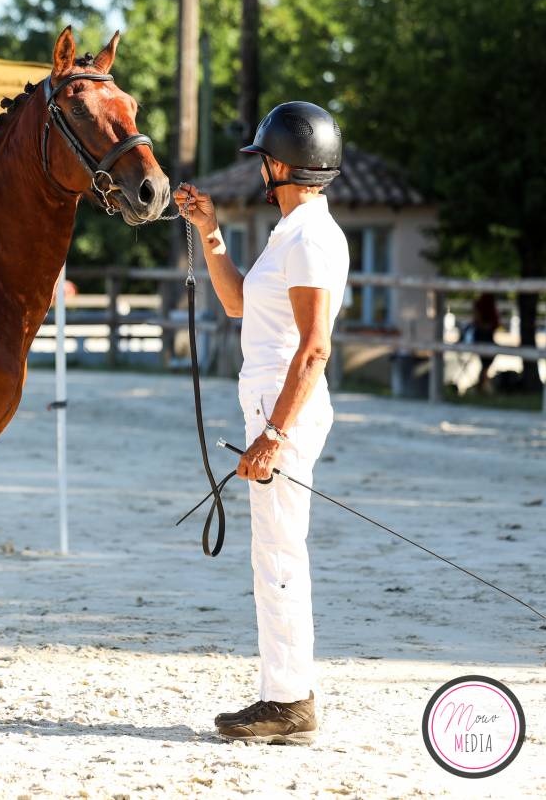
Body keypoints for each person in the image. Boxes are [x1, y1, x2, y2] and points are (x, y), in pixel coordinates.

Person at [175, 101, 349, 745]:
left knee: (278, 554)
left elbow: (315, 347)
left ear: (282, 165)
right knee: (272, 551)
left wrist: (273, 434)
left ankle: (289, 700)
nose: (261, 170)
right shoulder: (292, 233)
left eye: (264, 160)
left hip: (284, 410)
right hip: (273, 405)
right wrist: (209, 232)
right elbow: (237, 303)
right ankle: (287, 693)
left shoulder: (309, 239)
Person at [471, 292, 500, 394]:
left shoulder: (486, 302)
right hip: (483, 335)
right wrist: (485, 326)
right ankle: (482, 385)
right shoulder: (483, 302)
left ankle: (482, 384)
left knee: (486, 362)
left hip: (486, 335)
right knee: (485, 362)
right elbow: (478, 321)